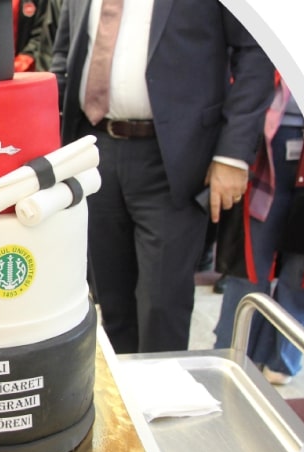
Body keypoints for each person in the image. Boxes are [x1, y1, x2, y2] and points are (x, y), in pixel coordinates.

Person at [51, 0, 274, 354]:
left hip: (174, 157)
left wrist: (232, 155)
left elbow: (257, 51)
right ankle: (122, 386)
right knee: (109, 298)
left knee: (161, 304)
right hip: (93, 152)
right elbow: (64, 54)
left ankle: (161, 388)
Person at [213, 74, 304, 384]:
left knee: (303, 268)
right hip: (264, 138)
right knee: (251, 262)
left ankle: (282, 360)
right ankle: (234, 351)